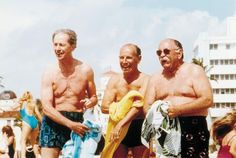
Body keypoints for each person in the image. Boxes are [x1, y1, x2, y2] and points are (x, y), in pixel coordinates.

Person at [143, 38, 213, 158]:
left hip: (193, 126)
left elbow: (207, 99)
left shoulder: (194, 71)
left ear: (179, 53)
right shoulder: (155, 78)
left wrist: (179, 110)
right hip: (165, 130)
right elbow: (147, 106)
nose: (162, 55)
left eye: (166, 51)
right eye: (159, 53)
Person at [39, 28, 97, 158]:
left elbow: (94, 97)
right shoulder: (49, 72)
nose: (57, 48)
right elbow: (47, 107)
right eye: (55, 44)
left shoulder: (85, 70)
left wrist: (91, 101)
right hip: (53, 120)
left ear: (73, 46)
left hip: (78, 120)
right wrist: (70, 125)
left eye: (62, 44)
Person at [101, 43, 150, 158]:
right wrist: (126, 107)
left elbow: (139, 107)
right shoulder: (114, 80)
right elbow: (104, 107)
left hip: (138, 126)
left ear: (139, 59)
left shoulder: (146, 80)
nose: (124, 61)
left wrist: (121, 122)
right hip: (116, 126)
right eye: (121, 57)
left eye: (128, 57)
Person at [12, 91, 42, 158]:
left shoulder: (22, 103)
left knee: (23, 141)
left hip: (27, 121)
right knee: (34, 143)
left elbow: (12, 108)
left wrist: (19, 101)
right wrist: (43, 122)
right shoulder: (33, 103)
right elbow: (37, 113)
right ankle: (38, 156)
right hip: (35, 122)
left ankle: (23, 156)